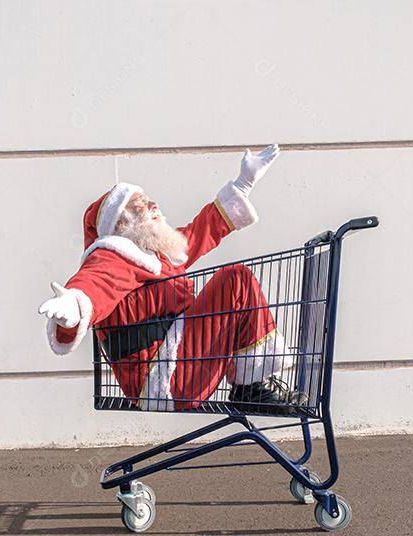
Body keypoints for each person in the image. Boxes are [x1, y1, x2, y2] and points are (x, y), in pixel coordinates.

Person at [37, 145, 306, 413]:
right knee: (235, 280)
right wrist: (73, 306)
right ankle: (251, 387)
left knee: (236, 281)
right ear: (120, 226)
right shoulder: (115, 256)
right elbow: (96, 283)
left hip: (176, 363)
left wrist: (243, 184)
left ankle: (251, 386)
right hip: (161, 379)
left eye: (149, 199)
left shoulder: (155, 257)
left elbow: (199, 232)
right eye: (140, 205)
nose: (154, 205)